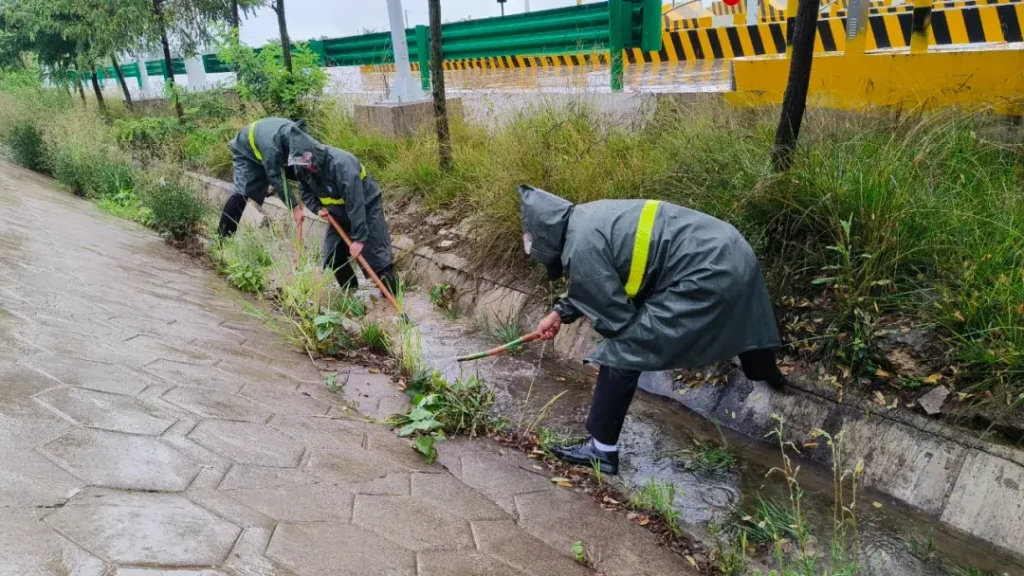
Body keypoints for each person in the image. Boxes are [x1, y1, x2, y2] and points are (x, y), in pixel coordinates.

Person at [520, 185, 785, 475]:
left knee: (623, 349)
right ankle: (767, 374)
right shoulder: (588, 216)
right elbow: (609, 277)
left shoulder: (580, 247)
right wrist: (560, 312)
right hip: (732, 249)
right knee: (744, 318)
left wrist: (616, 350)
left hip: (707, 268)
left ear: (544, 238)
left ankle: (601, 449)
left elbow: (617, 320)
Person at [287, 144, 396, 293]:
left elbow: (356, 203)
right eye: (304, 165)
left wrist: (358, 239)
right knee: (333, 256)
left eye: (310, 164)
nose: (308, 168)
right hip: (337, 213)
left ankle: (393, 299)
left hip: (365, 207)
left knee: (378, 257)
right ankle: (352, 295)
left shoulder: (343, 165)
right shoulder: (300, 167)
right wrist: (317, 208)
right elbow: (305, 191)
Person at [217, 117, 320, 239]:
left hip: (267, 147)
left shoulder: (300, 135)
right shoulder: (272, 148)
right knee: (241, 193)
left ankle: (321, 203)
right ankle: (222, 237)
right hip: (246, 150)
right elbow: (275, 175)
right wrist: (295, 208)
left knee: (300, 171)